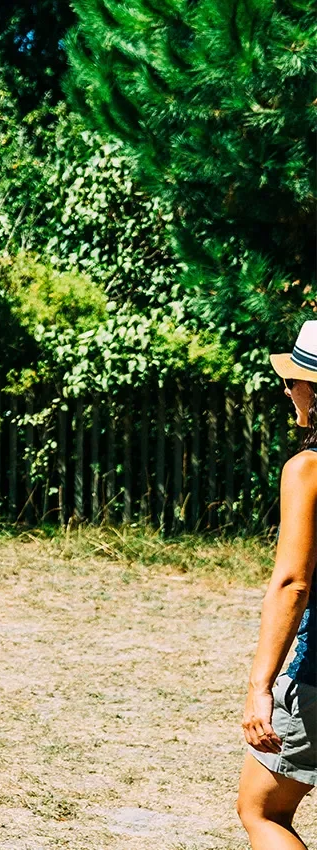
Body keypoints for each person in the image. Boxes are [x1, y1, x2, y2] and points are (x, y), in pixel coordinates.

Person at [241, 320, 317, 848]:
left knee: (262, 810)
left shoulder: (308, 469)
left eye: (293, 379)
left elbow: (292, 582)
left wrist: (260, 687)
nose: (288, 389)